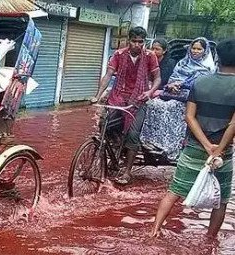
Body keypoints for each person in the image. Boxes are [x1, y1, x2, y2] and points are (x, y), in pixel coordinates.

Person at [150, 38, 235, 238]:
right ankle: (210, 241)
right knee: (221, 199)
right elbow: (233, 124)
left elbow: (189, 116)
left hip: (194, 147)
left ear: (217, 57)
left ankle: (154, 231)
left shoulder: (200, 82)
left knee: (174, 190)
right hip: (223, 152)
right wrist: (218, 150)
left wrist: (206, 146)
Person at [90, 26, 161, 185]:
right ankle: (113, 149)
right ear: (128, 40)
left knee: (133, 134)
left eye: (140, 42)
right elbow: (108, 75)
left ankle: (127, 172)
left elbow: (157, 79)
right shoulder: (118, 54)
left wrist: (150, 92)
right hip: (118, 96)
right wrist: (97, 96)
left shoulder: (150, 56)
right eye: (134, 41)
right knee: (104, 125)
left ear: (144, 42)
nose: (137, 44)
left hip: (139, 99)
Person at [140, 37, 216, 161]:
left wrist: (182, 85)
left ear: (205, 51)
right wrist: (172, 85)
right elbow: (172, 78)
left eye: (199, 49)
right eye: (193, 48)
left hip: (192, 99)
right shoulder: (182, 63)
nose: (195, 51)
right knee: (153, 104)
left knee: (170, 107)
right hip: (173, 94)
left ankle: (170, 145)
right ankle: (152, 141)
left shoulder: (208, 68)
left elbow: (202, 85)